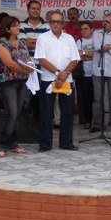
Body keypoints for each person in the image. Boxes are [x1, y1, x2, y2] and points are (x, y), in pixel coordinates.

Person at [34, 11, 80, 152]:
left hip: (66, 79)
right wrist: (57, 73)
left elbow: (75, 59)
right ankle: (45, 144)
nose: (55, 24)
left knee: (67, 112)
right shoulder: (42, 38)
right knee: (46, 112)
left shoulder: (69, 38)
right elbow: (41, 59)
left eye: (58, 22)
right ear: (49, 22)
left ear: (63, 24)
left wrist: (64, 74)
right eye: (53, 21)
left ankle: (66, 142)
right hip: (48, 79)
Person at [0, 16, 33, 157]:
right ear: (7, 29)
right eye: (15, 26)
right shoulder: (1, 46)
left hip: (22, 82)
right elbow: (9, 63)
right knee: (12, 112)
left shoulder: (22, 43)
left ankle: (13, 143)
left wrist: (30, 66)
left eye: (18, 25)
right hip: (7, 82)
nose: (18, 27)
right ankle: (3, 145)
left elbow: (27, 59)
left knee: (17, 113)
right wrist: (26, 70)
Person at [90, 13, 111, 134]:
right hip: (98, 70)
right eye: (104, 21)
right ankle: (98, 124)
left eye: (108, 22)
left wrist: (109, 47)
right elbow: (98, 47)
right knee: (98, 98)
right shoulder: (96, 33)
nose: (105, 24)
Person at [19, 0, 49, 119]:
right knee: (26, 98)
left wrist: (29, 41)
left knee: (42, 97)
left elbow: (47, 45)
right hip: (27, 66)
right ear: (28, 10)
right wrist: (40, 42)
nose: (36, 11)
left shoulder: (47, 26)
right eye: (33, 8)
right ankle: (24, 127)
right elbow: (22, 44)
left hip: (43, 66)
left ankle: (39, 127)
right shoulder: (21, 26)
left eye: (38, 8)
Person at [76, 21, 94, 129]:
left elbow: (96, 54)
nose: (83, 31)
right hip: (83, 74)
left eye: (86, 29)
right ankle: (87, 120)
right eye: (82, 29)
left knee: (95, 98)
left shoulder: (95, 40)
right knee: (85, 98)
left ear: (92, 30)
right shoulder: (80, 41)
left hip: (95, 73)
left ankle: (96, 120)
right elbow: (78, 56)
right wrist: (88, 55)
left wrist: (84, 53)